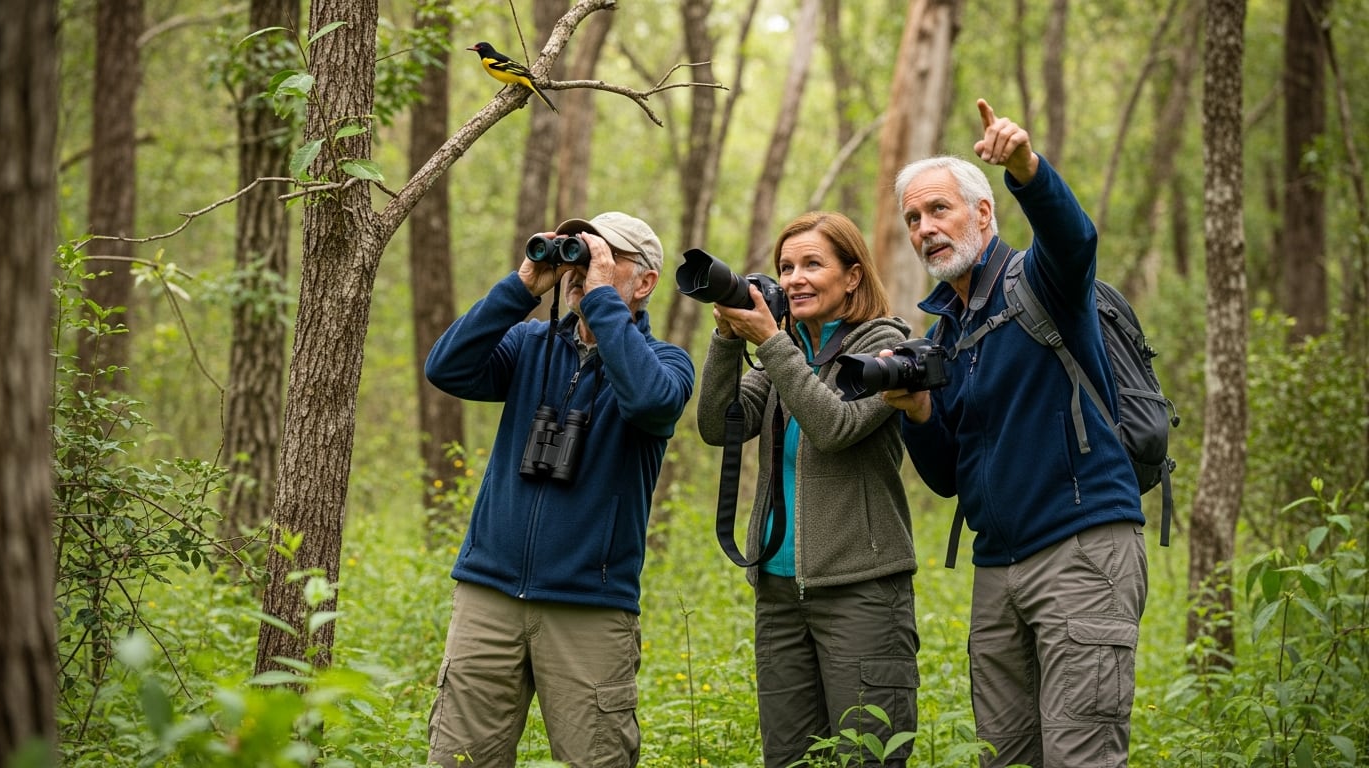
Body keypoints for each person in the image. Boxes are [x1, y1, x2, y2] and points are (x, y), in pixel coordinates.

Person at [882, 99, 1148, 767]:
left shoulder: (1039, 280)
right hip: (996, 568)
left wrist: (1027, 168)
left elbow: (1075, 238)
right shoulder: (946, 332)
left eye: (938, 210)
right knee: (1006, 756)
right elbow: (947, 476)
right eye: (913, 218)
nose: (925, 229)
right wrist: (916, 412)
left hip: (1081, 549)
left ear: (982, 213)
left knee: (1080, 755)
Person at [422, 211, 694, 768]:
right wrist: (521, 285)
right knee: (458, 760)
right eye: (578, 251)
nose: (581, 267)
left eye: (603, 256)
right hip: (489, 595)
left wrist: (601, 302)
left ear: (643, 283)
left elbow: (647, 402)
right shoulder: (528, 344)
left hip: (588, 608)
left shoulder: (667, 364)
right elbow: (446, 368)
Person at [696, 211, 920, 767]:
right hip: (778, 591)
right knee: (791, 759)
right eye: (785, 267)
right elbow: (717, 424)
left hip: (860, 589)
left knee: (866, 756)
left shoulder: (885, 346)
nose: (794, 278)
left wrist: (771, 341)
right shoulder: (786, 348)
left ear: (852, 276)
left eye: (812, 264)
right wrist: (728, 340)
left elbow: (835, 427)